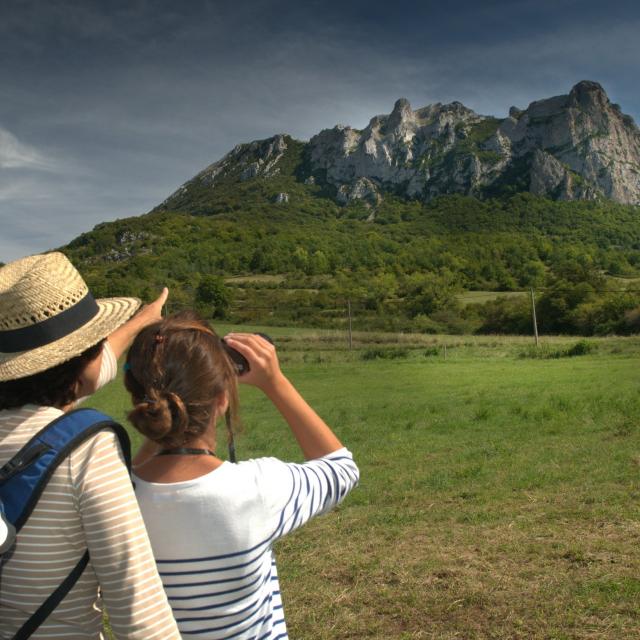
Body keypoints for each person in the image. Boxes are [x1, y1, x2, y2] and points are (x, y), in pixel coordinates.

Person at [125, 311, 359, 639]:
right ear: (221, 401)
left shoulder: (116, 498)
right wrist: (274, 382)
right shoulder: (255, 489)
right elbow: (341, 469)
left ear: (142, 402)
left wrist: (164, 425)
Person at [0, 252, 181, 639]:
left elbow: (65, 387)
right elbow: (138, 606)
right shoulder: (86, 449)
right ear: (81, 364)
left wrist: (138, 323)